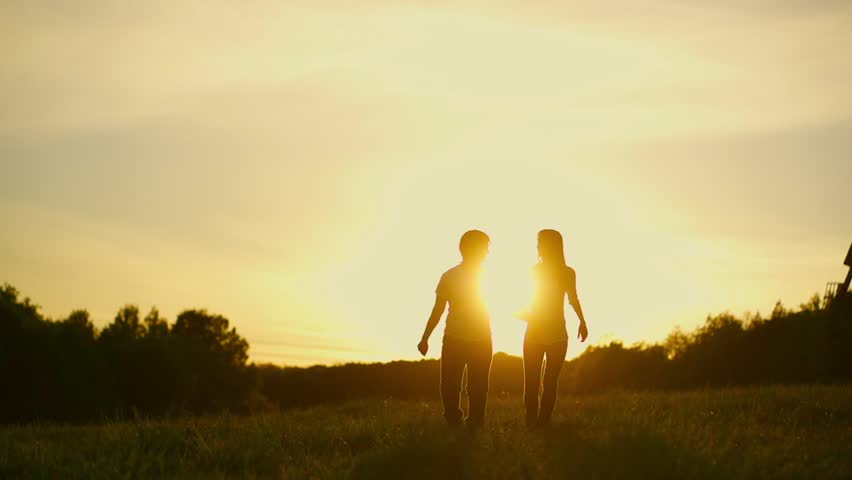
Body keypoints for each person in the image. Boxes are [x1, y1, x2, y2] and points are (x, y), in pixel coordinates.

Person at [418, 230, 493, 427]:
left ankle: (476, 423)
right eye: (484, 247)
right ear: (468, 249)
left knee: (479, 386)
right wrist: (425, 337)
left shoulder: (490, 276)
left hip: (482, 339)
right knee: (449, 385)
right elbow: (438, 310)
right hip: (454, 338)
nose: (487, 252)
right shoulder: (449, 276)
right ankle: (453, 420)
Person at [518, 229, 588, 428]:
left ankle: (543, 423)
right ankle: (532, 424)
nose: (538, 246)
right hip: (534, 332)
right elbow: (530, 299)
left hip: (557, 334)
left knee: (550, 382)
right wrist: (523, 313)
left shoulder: (568, 272)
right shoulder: (534, 271)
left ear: (553, 245)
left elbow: (573, 299)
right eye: (538, 242)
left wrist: (582, 321)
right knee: (531, 383)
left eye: (541, 242)